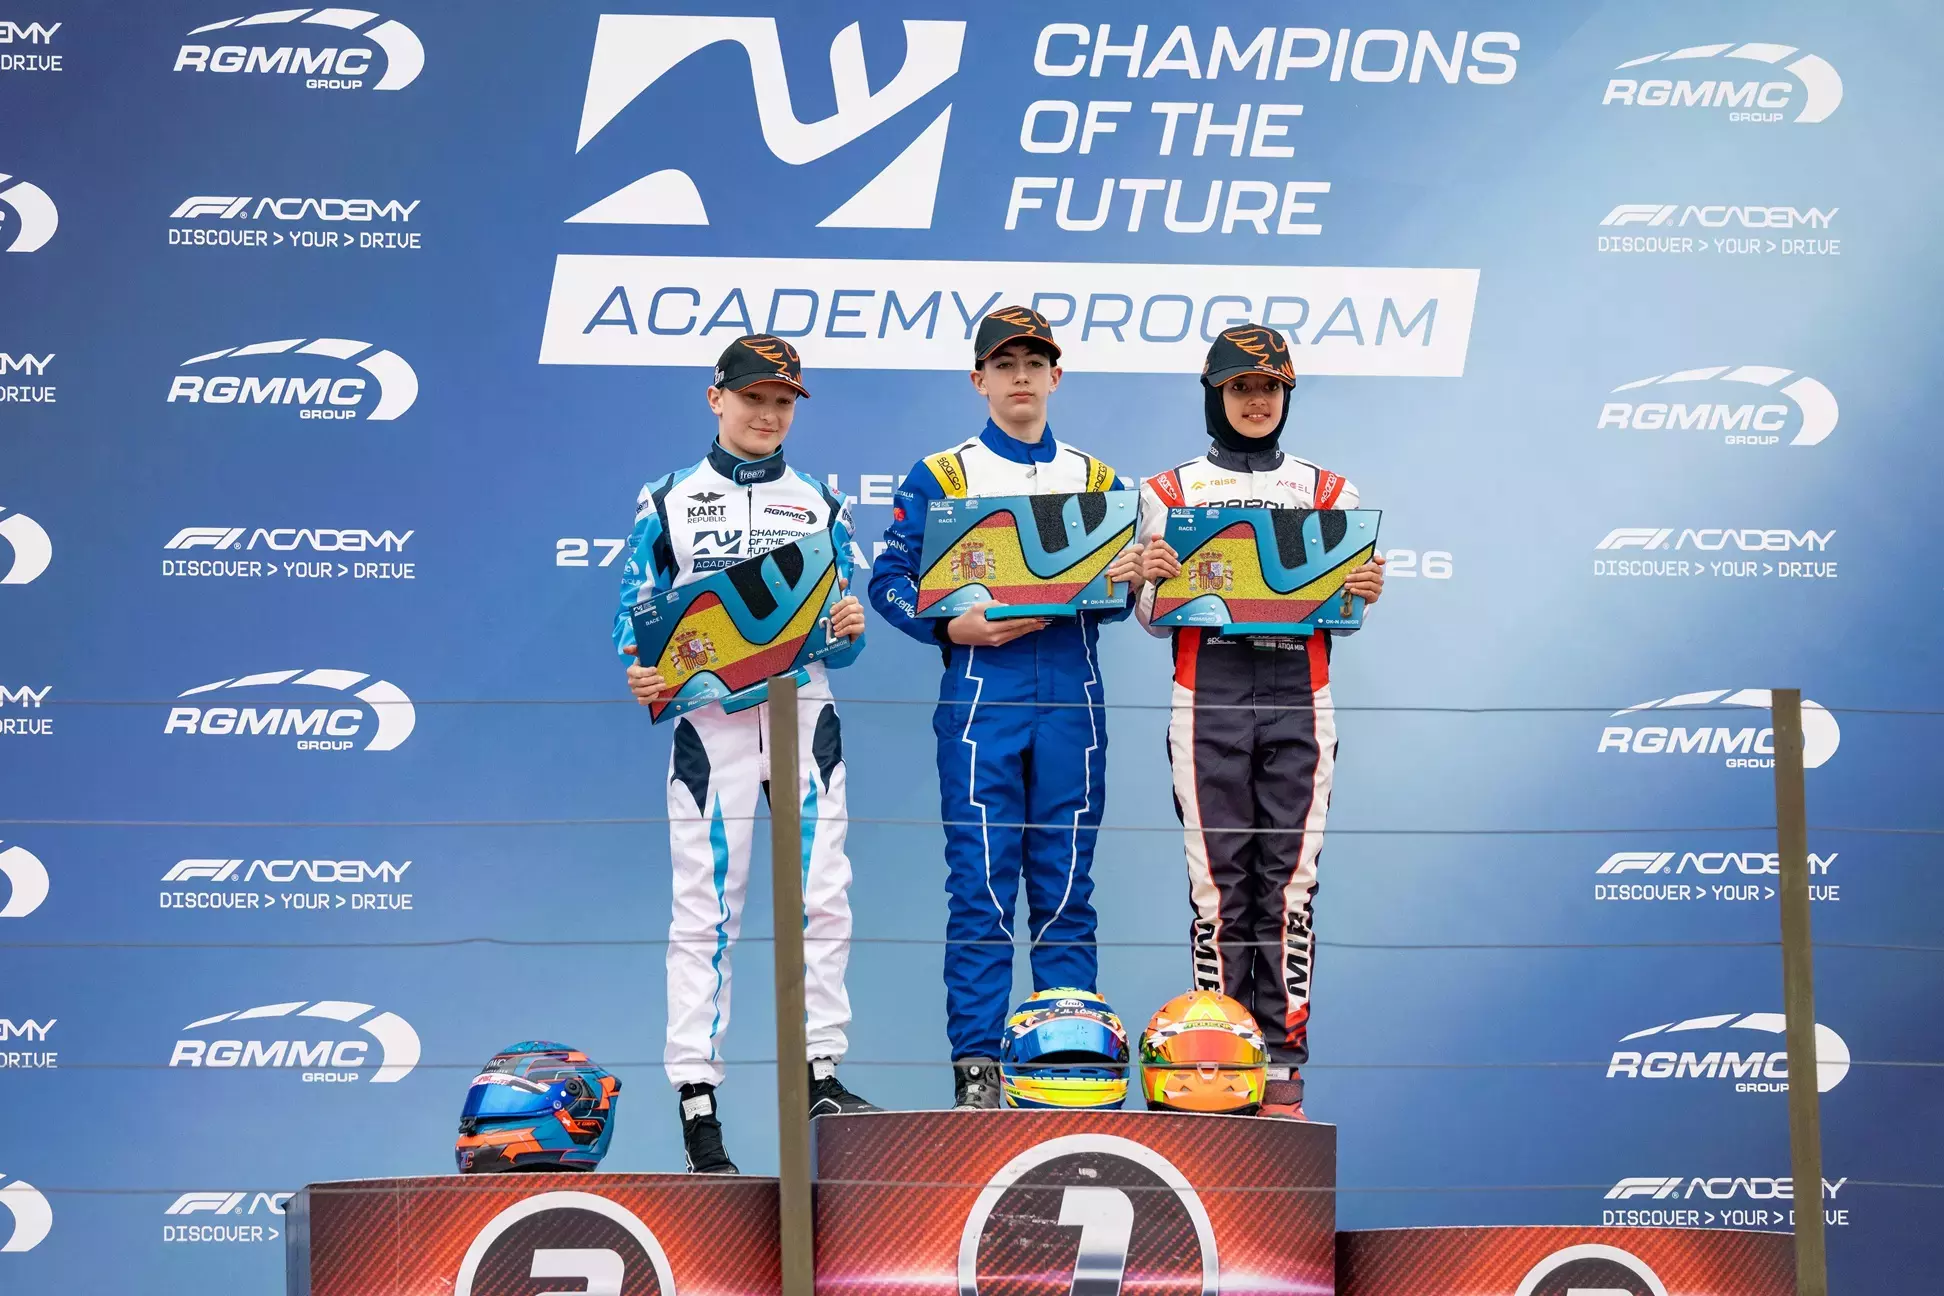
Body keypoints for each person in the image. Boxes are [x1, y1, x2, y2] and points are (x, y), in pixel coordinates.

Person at [613, 334, 879, 1174]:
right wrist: (639, 665)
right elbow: (632, 617)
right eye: (753, 397)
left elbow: (845, 637)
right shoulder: (667, 499)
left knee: (824, 895)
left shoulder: (823, 501)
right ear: (716, 398)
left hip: (805, 714)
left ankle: (821, 1072)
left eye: (782, 401)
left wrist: (849, 630)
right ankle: (698, 1101)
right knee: (706, 908)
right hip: (710, 724)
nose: (768, 414)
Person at [869, 305, 1143, 1109]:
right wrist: (947, 625)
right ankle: (978, 1071)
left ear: (1056, 376)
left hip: (1072, 697)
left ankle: (1069, 1065)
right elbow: (888, 581)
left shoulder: (1100, 481)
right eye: (1004, 364)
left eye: (1033, 363)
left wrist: (1134, 578)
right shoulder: (941, 476)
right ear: (978, 379)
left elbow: (1120, 599)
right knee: (981, 886)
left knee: (1066, 887)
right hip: (981, 696)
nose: (1020, 376)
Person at [1130, 323, 1387, 1120]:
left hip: (1299, 692)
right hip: (1204, 690)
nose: (1255, 401)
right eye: (1240, 387)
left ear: (1287, 396)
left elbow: (1344, 614)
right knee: (1217, 889)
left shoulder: (1331, 492)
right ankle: (1217, 1062)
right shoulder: (1167, 491)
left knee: (1288, 886)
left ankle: (1281, 1066)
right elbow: (1151, 618)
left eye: (1269, 388)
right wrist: (1148, 578)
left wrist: (1363, 592)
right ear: (1214, 395)